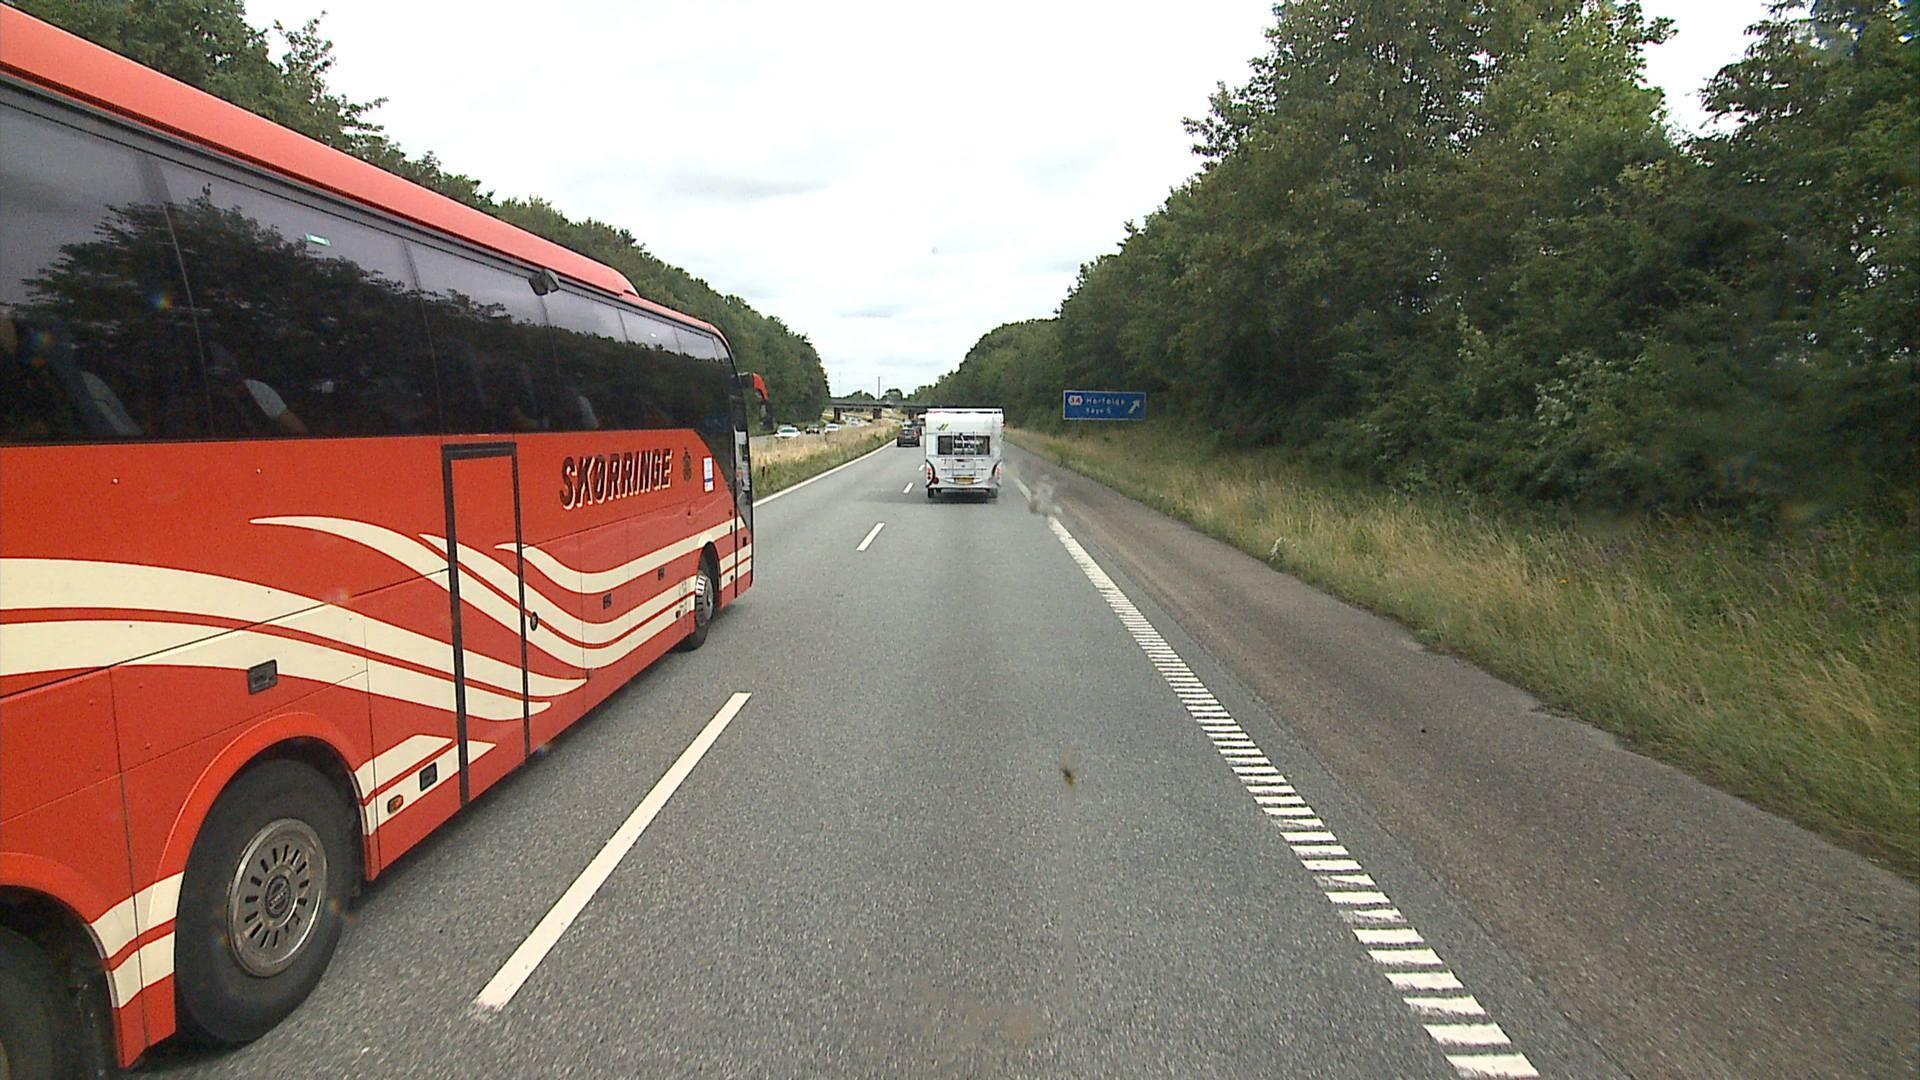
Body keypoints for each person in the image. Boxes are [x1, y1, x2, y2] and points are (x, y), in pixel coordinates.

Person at [205, 342, 308, 436]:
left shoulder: (257, 390)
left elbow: (299, 431)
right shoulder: (203, 403)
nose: (230, 392)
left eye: (235, 383)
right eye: (221, 385)